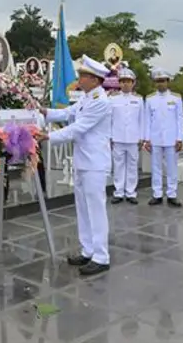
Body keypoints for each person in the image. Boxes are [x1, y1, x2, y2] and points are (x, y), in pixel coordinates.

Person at [36, 55, 111, 276]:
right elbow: (68, 113)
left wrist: (49, 137)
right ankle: (88, 250)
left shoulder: (100, 102)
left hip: (95, 162)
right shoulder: (87, 98)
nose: (79, 79)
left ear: (95, 80)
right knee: (83, 208)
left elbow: (78, 128)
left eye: (83, 76)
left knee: (95, 209)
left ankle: (101, 255)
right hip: (83, 160)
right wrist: (45, 112)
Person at [142, 68, 183, 207]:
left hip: (171, 139)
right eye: (158, 81)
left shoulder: (176, 98)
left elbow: (180, 119)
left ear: (168, 82)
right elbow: (147, 120)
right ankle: (157, 194)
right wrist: (146, 139)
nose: (160, 84)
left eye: (163, 81)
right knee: (156, 168)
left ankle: (172, 194)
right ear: (155, 83)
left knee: (172, 168)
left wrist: (179, 138)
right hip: (155, 138)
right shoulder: (149, 99)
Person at [109, 67, 144, 205]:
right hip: (117, 137)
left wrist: (142, 137)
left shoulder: (139, 99)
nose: (125, 84)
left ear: (133, 83)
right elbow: (109, 120)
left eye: (128, 81)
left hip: (133, 138)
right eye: (122, 81)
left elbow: (142, 120)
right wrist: (110, 137)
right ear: (119, 83)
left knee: (132, 166)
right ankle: (118, 192)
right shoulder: (113, 99)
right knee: (118, 166)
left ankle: (130, 192)